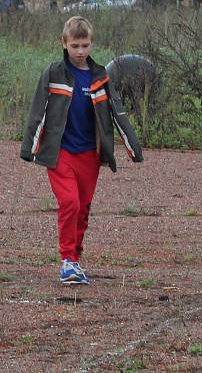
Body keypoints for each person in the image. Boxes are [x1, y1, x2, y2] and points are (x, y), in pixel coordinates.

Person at [20, 16, 143, 285]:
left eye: (85, 45)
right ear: (64, 43)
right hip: (60, 152)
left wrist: (133, 148)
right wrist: (29, 148)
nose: (80, 51)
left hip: (89, 154)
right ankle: (66, 261)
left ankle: (75, 258)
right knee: (70, 203)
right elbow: (37, 112)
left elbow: (117, 113)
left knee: (83, 208)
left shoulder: (100, 77)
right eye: (75, 45)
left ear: (91, 44)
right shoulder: (53, 74)